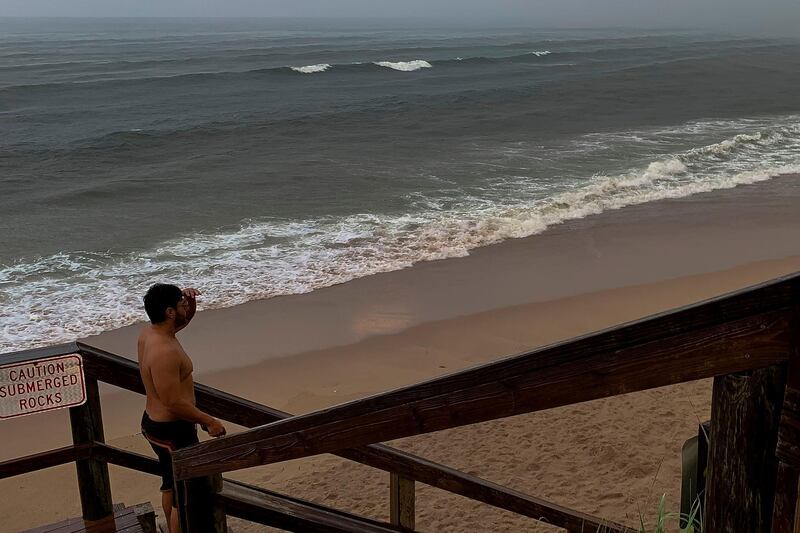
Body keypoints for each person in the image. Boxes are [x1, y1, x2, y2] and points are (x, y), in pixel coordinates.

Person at [138, 283, 226, 533]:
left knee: (170, 484)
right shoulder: (164, 352)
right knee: (183, 498)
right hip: (172, 431)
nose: (185, 305)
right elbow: (173, 403)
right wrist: (209, 420)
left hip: (154, 424)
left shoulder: (151, 334)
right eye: (181, 303)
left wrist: (191, 303)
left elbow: (182, 322)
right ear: (169, 312)